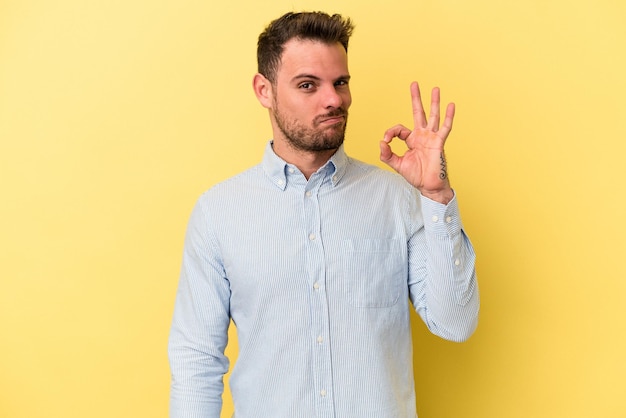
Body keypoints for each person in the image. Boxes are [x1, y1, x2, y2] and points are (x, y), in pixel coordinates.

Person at [168, 11, 479, 418]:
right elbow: (196, 361)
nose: (334, 99)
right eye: (308, 85)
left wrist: (437, 196)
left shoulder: (397, 199)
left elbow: (454, 322)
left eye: (341, 82)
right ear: (264, 90)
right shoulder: (219, 213)